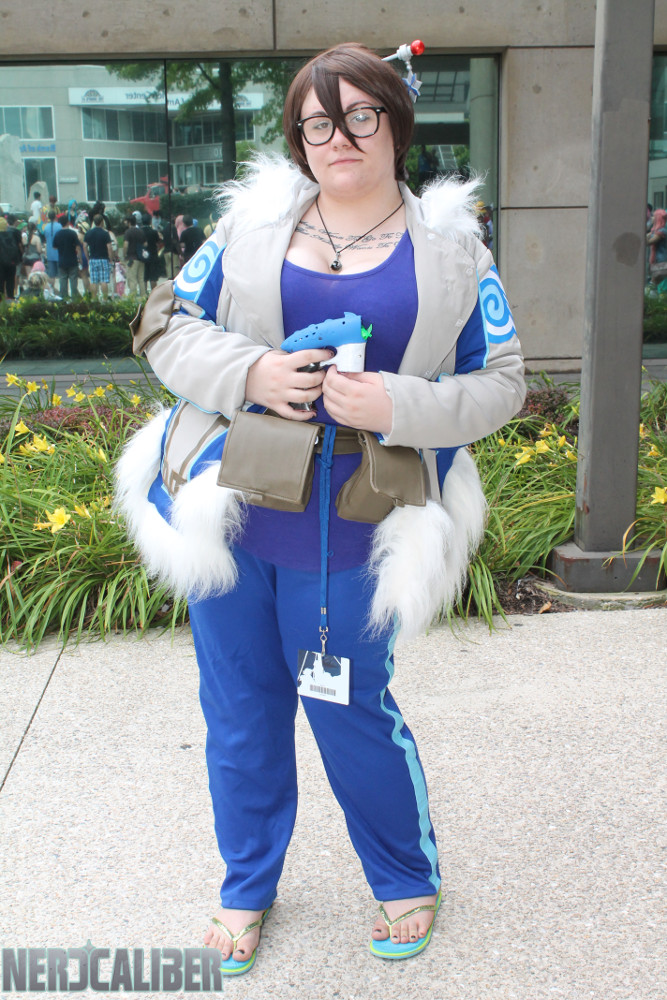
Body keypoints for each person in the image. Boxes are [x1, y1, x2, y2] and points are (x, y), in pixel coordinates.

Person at [116, 42, 525, 975]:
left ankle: (404, 874)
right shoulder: (251, 227)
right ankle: (245, 886)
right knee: (239, 711)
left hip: (358, 526)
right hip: (236, 513)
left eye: (358, 116)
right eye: (315, 122)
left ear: (394, 123)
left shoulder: (452, 250)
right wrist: (251, 371)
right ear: (298, 139)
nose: (337, 137)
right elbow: (166, 327)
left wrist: (398, 404)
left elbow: (500, 381)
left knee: (349, 708)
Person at [84, 214, 113, 298]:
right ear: (102, 222)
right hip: (103, 258)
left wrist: (87, 257)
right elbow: (109, 247)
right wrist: (110, 258)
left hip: (93, 258)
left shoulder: (88, 233)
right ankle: (105, 299)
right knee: (103, 280)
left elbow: (85, 246)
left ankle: (94, 298)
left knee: (93, 280)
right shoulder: (105, 233)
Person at [52, 218, 82, 298]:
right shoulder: (72, 233)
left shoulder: (57, 234)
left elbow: (54, 247)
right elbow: (78, 247)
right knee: (73, 279)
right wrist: (80, 258)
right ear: (68, 223)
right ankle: (75, 297)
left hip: (62, 260)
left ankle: (64, 297)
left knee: (62, 279)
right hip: (72, 260)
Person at [122, 215, 147, 296]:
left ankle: (133, 297)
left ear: (129, 222)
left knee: (132, 279)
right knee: (141, 279)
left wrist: (124, 255)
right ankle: (143, 296)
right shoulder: (140, 231)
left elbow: (126, 245)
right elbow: (145, 244)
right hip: (141, 258)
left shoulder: (128, 232)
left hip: (131, 258)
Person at [0, 215, 23, 301]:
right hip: (11, 261)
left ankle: (1, 300)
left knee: (1, 282)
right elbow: (19, 246)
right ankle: (10, 298)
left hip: (1, 262)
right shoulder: (12, 234)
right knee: (10, 281)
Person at [648, 208, 667, 290]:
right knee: (654, 283)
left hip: (661, 260)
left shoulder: (661, 231)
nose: (651, 218)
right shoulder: (655, 231)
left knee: (653, 283)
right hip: (657, 260)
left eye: (653, 216)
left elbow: (650, 242)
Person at [43, 210, 62, 284]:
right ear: (55, 216)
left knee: (51, 275)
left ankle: (52, 289)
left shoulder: (46, 227)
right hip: (59, 253)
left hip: (49, 253)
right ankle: (62, 290)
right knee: (61, 275)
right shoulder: (59, 226)